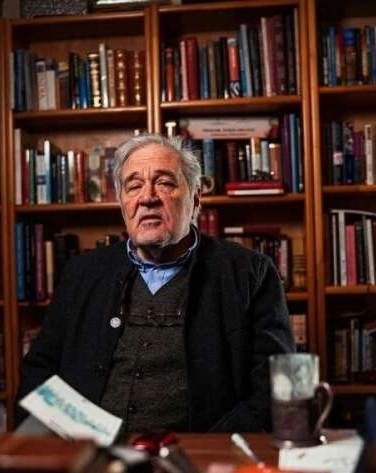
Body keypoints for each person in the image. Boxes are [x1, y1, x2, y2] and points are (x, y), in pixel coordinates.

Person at [16, 133, 294, 433]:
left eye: (165, 183)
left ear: (195, 197)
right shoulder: (81, 273)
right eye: (133, 186)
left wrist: (208, 450)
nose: (147, 197)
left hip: (200, 454)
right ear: (122, 202)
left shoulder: (250, 273)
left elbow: (274, 389)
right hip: (90, 451)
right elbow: (38, 372)